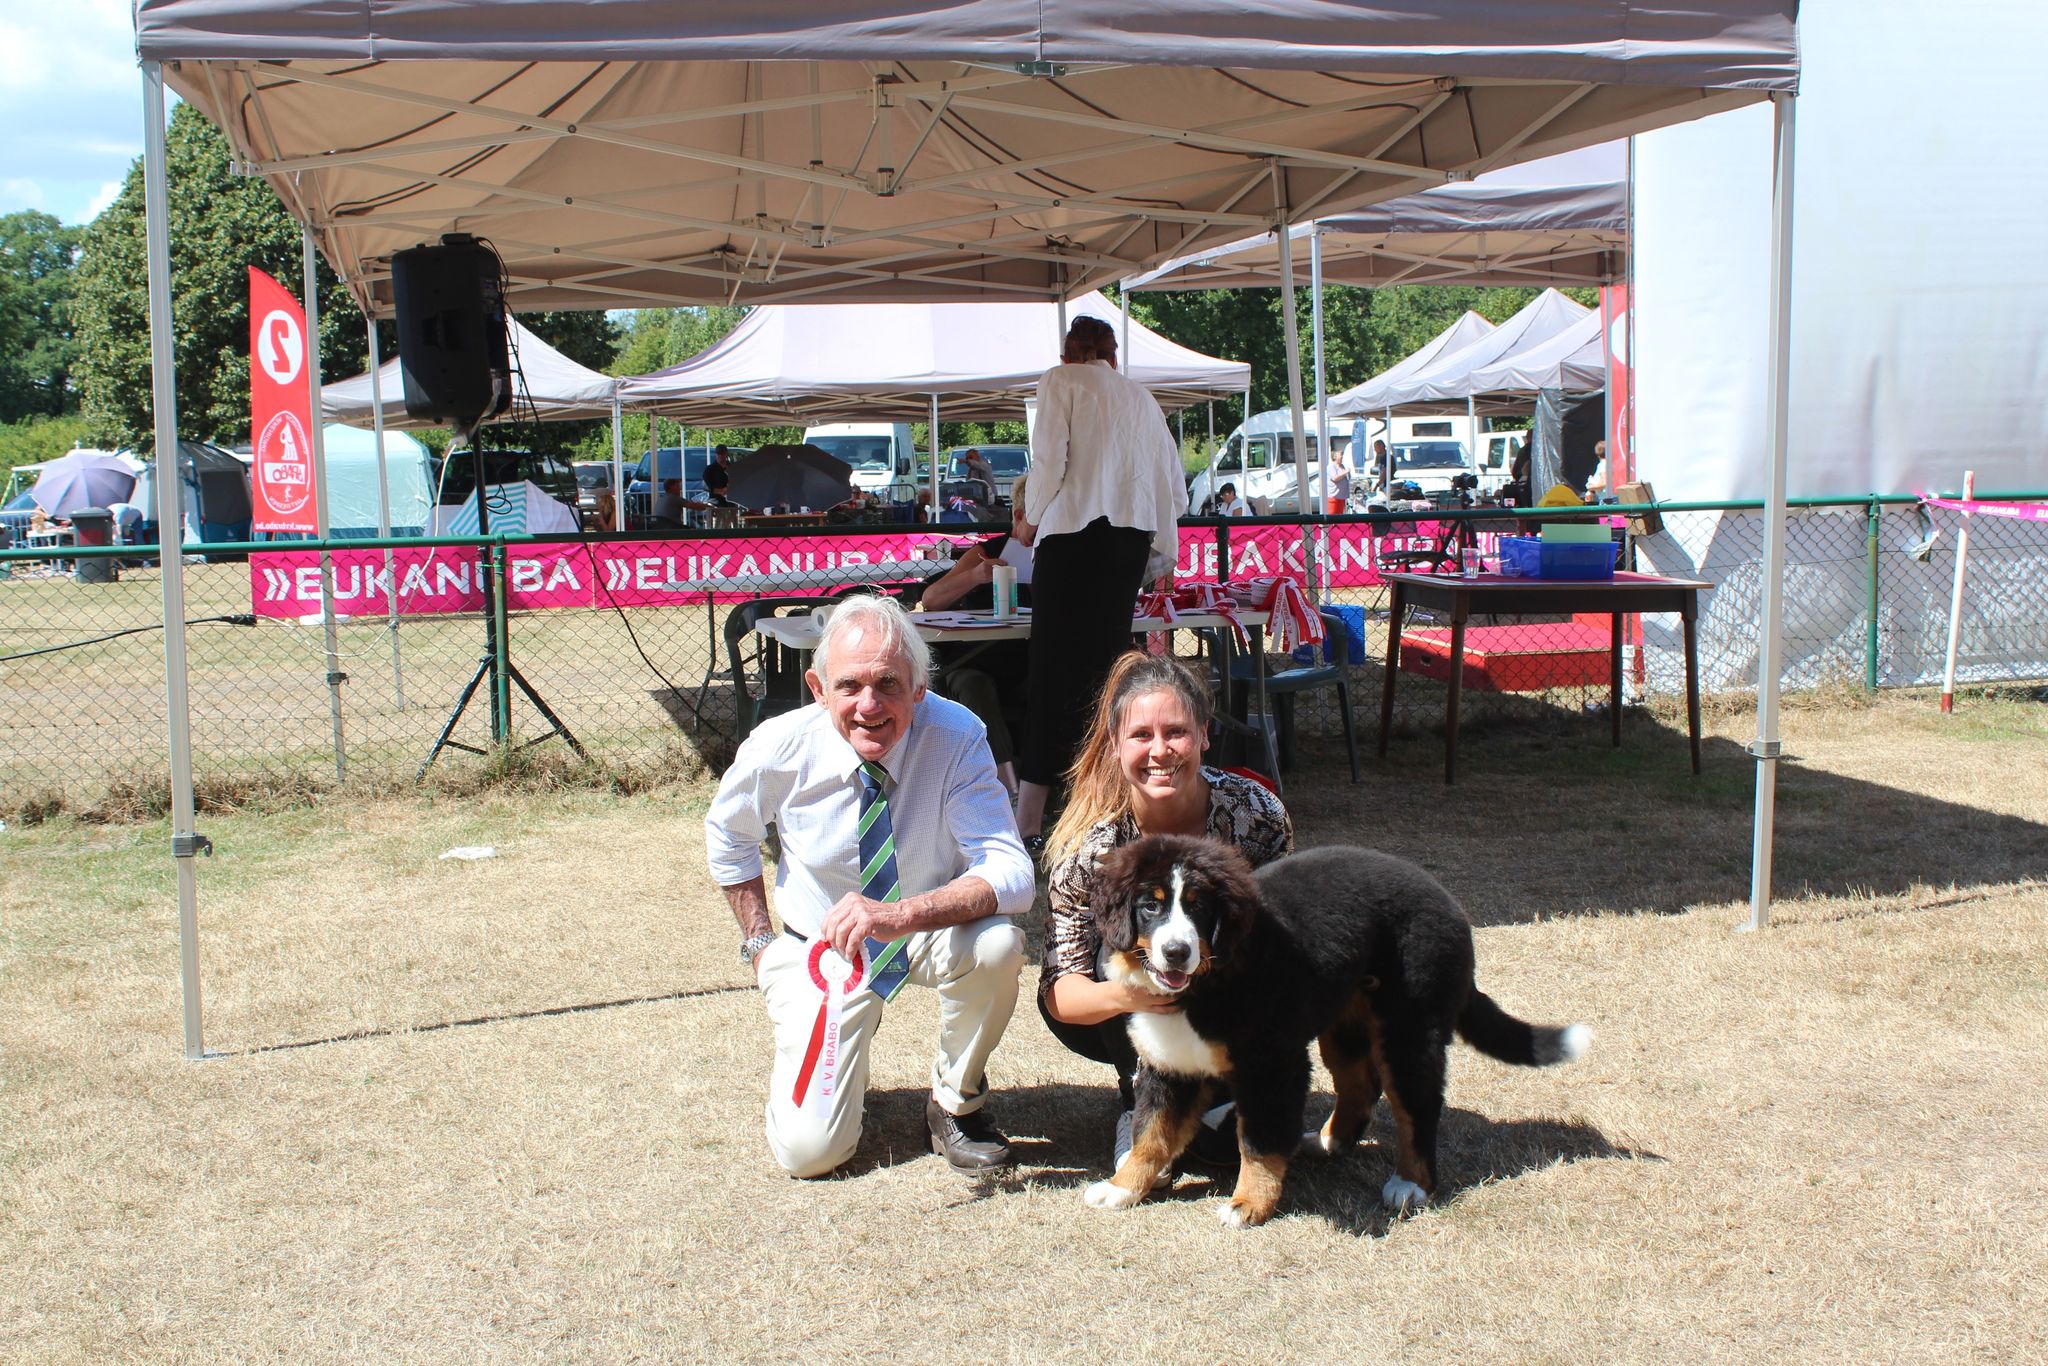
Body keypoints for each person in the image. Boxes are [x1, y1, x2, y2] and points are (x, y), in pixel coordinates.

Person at [705, 594, 1034, 1179]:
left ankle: (955, 1102)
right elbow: (729, 835)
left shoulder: (957, 735)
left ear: (919, 688)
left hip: (925, 928)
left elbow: (1011, 871)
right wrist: (760, 945)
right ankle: (837, 1052)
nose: (869, 705)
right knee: (810, 1154)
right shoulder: (778, 746)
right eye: (849, 685)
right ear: (817, 689)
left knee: (998, 945)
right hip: (823, 949)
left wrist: (899, 915)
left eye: (888, 683)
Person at [1038, 651, 1293, 1167]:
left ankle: (1224, 1091)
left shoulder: (1257, 814)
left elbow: (1281, 945)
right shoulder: (1089, 849)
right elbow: (1060, 994)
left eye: (1176, 732)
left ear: (1203, 735)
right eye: (1141, 735)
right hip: (1125, 1009)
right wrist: (1134, 992)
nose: (1160, 751)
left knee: (1222, 1151)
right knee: (1120, 944)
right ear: (1115, 745)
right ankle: (1140, 1099)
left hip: (1233, 996)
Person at [1011, 315, 1185, 852]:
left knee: (1051, 671)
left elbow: (1049, 462)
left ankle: (1030, 820)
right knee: (1108, 672)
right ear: (1112, 356)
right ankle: (1106, 808)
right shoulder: (1140, 397)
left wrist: (1029, 519)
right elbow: (1172, 482)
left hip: (1070, 538)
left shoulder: (1059, 381)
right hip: (1126, 542)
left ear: (1068, 354)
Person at [920, 477, 1035, 795]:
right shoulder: (987, 552)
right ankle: (1005, 787)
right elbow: (931, 599)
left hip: (1027, 660)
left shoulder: (1056, 553)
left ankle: (1051, 782)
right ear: (1019, 516)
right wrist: (976, 576)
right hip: (973, 661)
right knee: (974, 685)